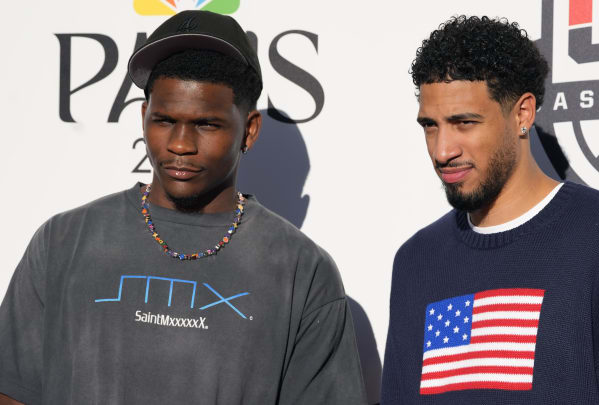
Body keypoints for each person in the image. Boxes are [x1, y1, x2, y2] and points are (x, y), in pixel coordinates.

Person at [0, 10, 366, 405]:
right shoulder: (63, 242)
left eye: (206, 124)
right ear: (144, 118)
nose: (179, 144)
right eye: (164, 120)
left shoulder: (302, 269)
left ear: (250, 129)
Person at [381, 15, 599, 404]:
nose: (443, 150)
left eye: (464, 123)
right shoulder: (417, 262)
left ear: (522, 114)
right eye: (430, 125)